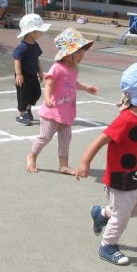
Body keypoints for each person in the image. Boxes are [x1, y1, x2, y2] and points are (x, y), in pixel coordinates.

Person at [76, 62, 137, 267]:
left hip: (134, 176)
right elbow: (101, 139)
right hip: (120, 180)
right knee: (122, 216)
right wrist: (85, 161)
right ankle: (107, 246)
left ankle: (102, 214)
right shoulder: (126, 121)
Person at [26, 28, 99, 174]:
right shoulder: (57, 67)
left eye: (83, 52)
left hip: (67, 112)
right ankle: (32, 156)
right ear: (69, 53)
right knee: (45, 136)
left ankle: (63, 165)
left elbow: (73, 84)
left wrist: (86, 88)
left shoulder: (74, 69)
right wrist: (47, 98)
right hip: (52, 112)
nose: (82, 55)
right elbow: (49, 83)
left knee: (66, 139)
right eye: (79, 52)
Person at [13, 13, 50, 126]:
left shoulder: (35, 45)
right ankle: (21, 115)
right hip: (23, 75)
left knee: (36, 93)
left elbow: (36, 58)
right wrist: (18, 74)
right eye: (39, 31)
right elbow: (17, 59)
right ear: (32, 32)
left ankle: (27, 108)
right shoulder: (22, 46)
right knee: (23, 95)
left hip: (33, 74)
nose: (41, 33)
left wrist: (40, 71)